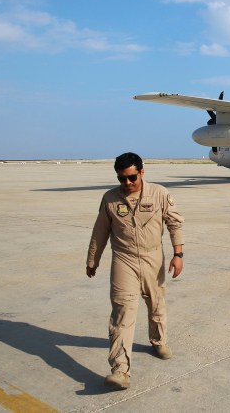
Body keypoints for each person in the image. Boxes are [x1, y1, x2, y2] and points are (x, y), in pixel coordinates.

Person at [85, 152, 184, 390]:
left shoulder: (159, 193)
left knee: (156, 303)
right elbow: (100, 231)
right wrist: (92, 259)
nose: (127, 184)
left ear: (141, 172)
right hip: (123, 259)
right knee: (122, 312)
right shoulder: (110, 198)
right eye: (122, 179)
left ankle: (158, 341)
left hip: (153, 258)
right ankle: (120, 370)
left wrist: (178, 254)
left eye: (131, 177)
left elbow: (174, 222)